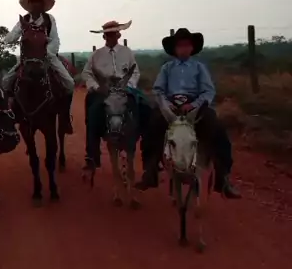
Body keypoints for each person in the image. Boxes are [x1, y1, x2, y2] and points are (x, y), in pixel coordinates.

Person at [138, 27, 241, 198]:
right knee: (152, 127)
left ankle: (222, 178)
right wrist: (166, 106)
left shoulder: (199, 68)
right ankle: (150, 172)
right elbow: (158, 90)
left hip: (195, 106)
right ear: (175, 49)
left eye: (187, 45)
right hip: (170, 106)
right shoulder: (167, 68)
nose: (183, 49)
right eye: (180, 45)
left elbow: (208, 91)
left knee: (218, 130)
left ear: (192, 48)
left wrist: (194, 104)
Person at [3, 0, 75, 133]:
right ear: (28, 5)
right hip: (27, 58)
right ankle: (12, 115)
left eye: (38, 1)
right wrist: (14, 35)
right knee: (6, 81)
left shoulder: (49, 19)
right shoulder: (24, 20)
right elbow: (10, 38)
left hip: (46, 56)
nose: (35, 4)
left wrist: (46, 52)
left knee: (69, 83)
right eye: (32, 1)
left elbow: (55, 39)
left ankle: (65, 118)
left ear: (42, 5)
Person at [82, 20, 147, 170]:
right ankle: (92, 155)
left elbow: (135, 72)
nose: (111, 37)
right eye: (108, 35)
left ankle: (149, 155)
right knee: (93, 114)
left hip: (125, 90)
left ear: (119, 35)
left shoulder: (127, 52)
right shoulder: (96, 55)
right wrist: (97, 87)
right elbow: (87, 73)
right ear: (104, 37)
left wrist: (129, 86)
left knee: (145, 110)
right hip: (104, 91)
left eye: (113, 34)